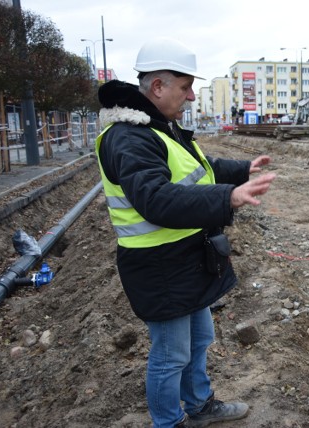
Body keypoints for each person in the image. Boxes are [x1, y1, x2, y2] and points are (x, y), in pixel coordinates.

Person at [94, 37, 276, 428]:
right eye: (186, 86)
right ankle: (168, 422)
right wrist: (228, 198)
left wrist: (242, 169)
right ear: (157, 87)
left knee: (198, 340)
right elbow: (156, 199)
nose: (192, 96)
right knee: (170, 354)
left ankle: (198, 405)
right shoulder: (128, 136)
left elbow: (199, 167)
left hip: (184, 258)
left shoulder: (157, 128)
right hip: (158, 267)